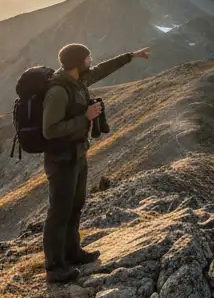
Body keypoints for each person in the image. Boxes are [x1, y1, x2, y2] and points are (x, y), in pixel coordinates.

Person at [40, 42, 150, 284]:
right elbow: (49, 130)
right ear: (78, 63)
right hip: (61, 159)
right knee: (59, 212)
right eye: (88, 58)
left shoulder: (78, 82)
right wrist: (85, 118)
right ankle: (54, 267)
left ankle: (72, 252)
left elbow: (102, 70)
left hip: (77, 154)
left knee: (75, 205)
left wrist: (130, 55)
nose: (91, 61)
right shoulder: (59, 91)